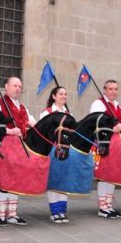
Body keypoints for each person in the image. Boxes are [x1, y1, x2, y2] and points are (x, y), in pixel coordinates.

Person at [0, 77, 37, 226]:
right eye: (14, 85)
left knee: (16, 180)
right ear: (6, 87)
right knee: (5, 179)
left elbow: (34, 124)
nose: (17, 89)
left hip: (20, 147)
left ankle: (13, 214)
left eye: (20, 86)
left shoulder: (23, 108)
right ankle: (2, 215)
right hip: (4, 146)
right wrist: (9, 130)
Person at [90, 79, 121, 218]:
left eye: (116, 89)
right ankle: (102, 207)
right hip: (102, 143)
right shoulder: (98, 104)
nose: (113, 91)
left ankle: (108, 204)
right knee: (103, 175)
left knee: (112, 174)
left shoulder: (117, 105)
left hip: (115, 146)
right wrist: (114, 128)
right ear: (104, 90)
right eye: (110, 89)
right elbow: (96, 124)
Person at [40, 86, 70, 223]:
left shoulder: (68, 114)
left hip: (66, 150)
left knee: (64, 180)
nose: (63, 96)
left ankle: (62, 211)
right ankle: (54, 211)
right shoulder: (46, 113)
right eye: (60, 94)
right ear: (53, 96)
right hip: (52, 150)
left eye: (65, 94)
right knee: (54, 179)